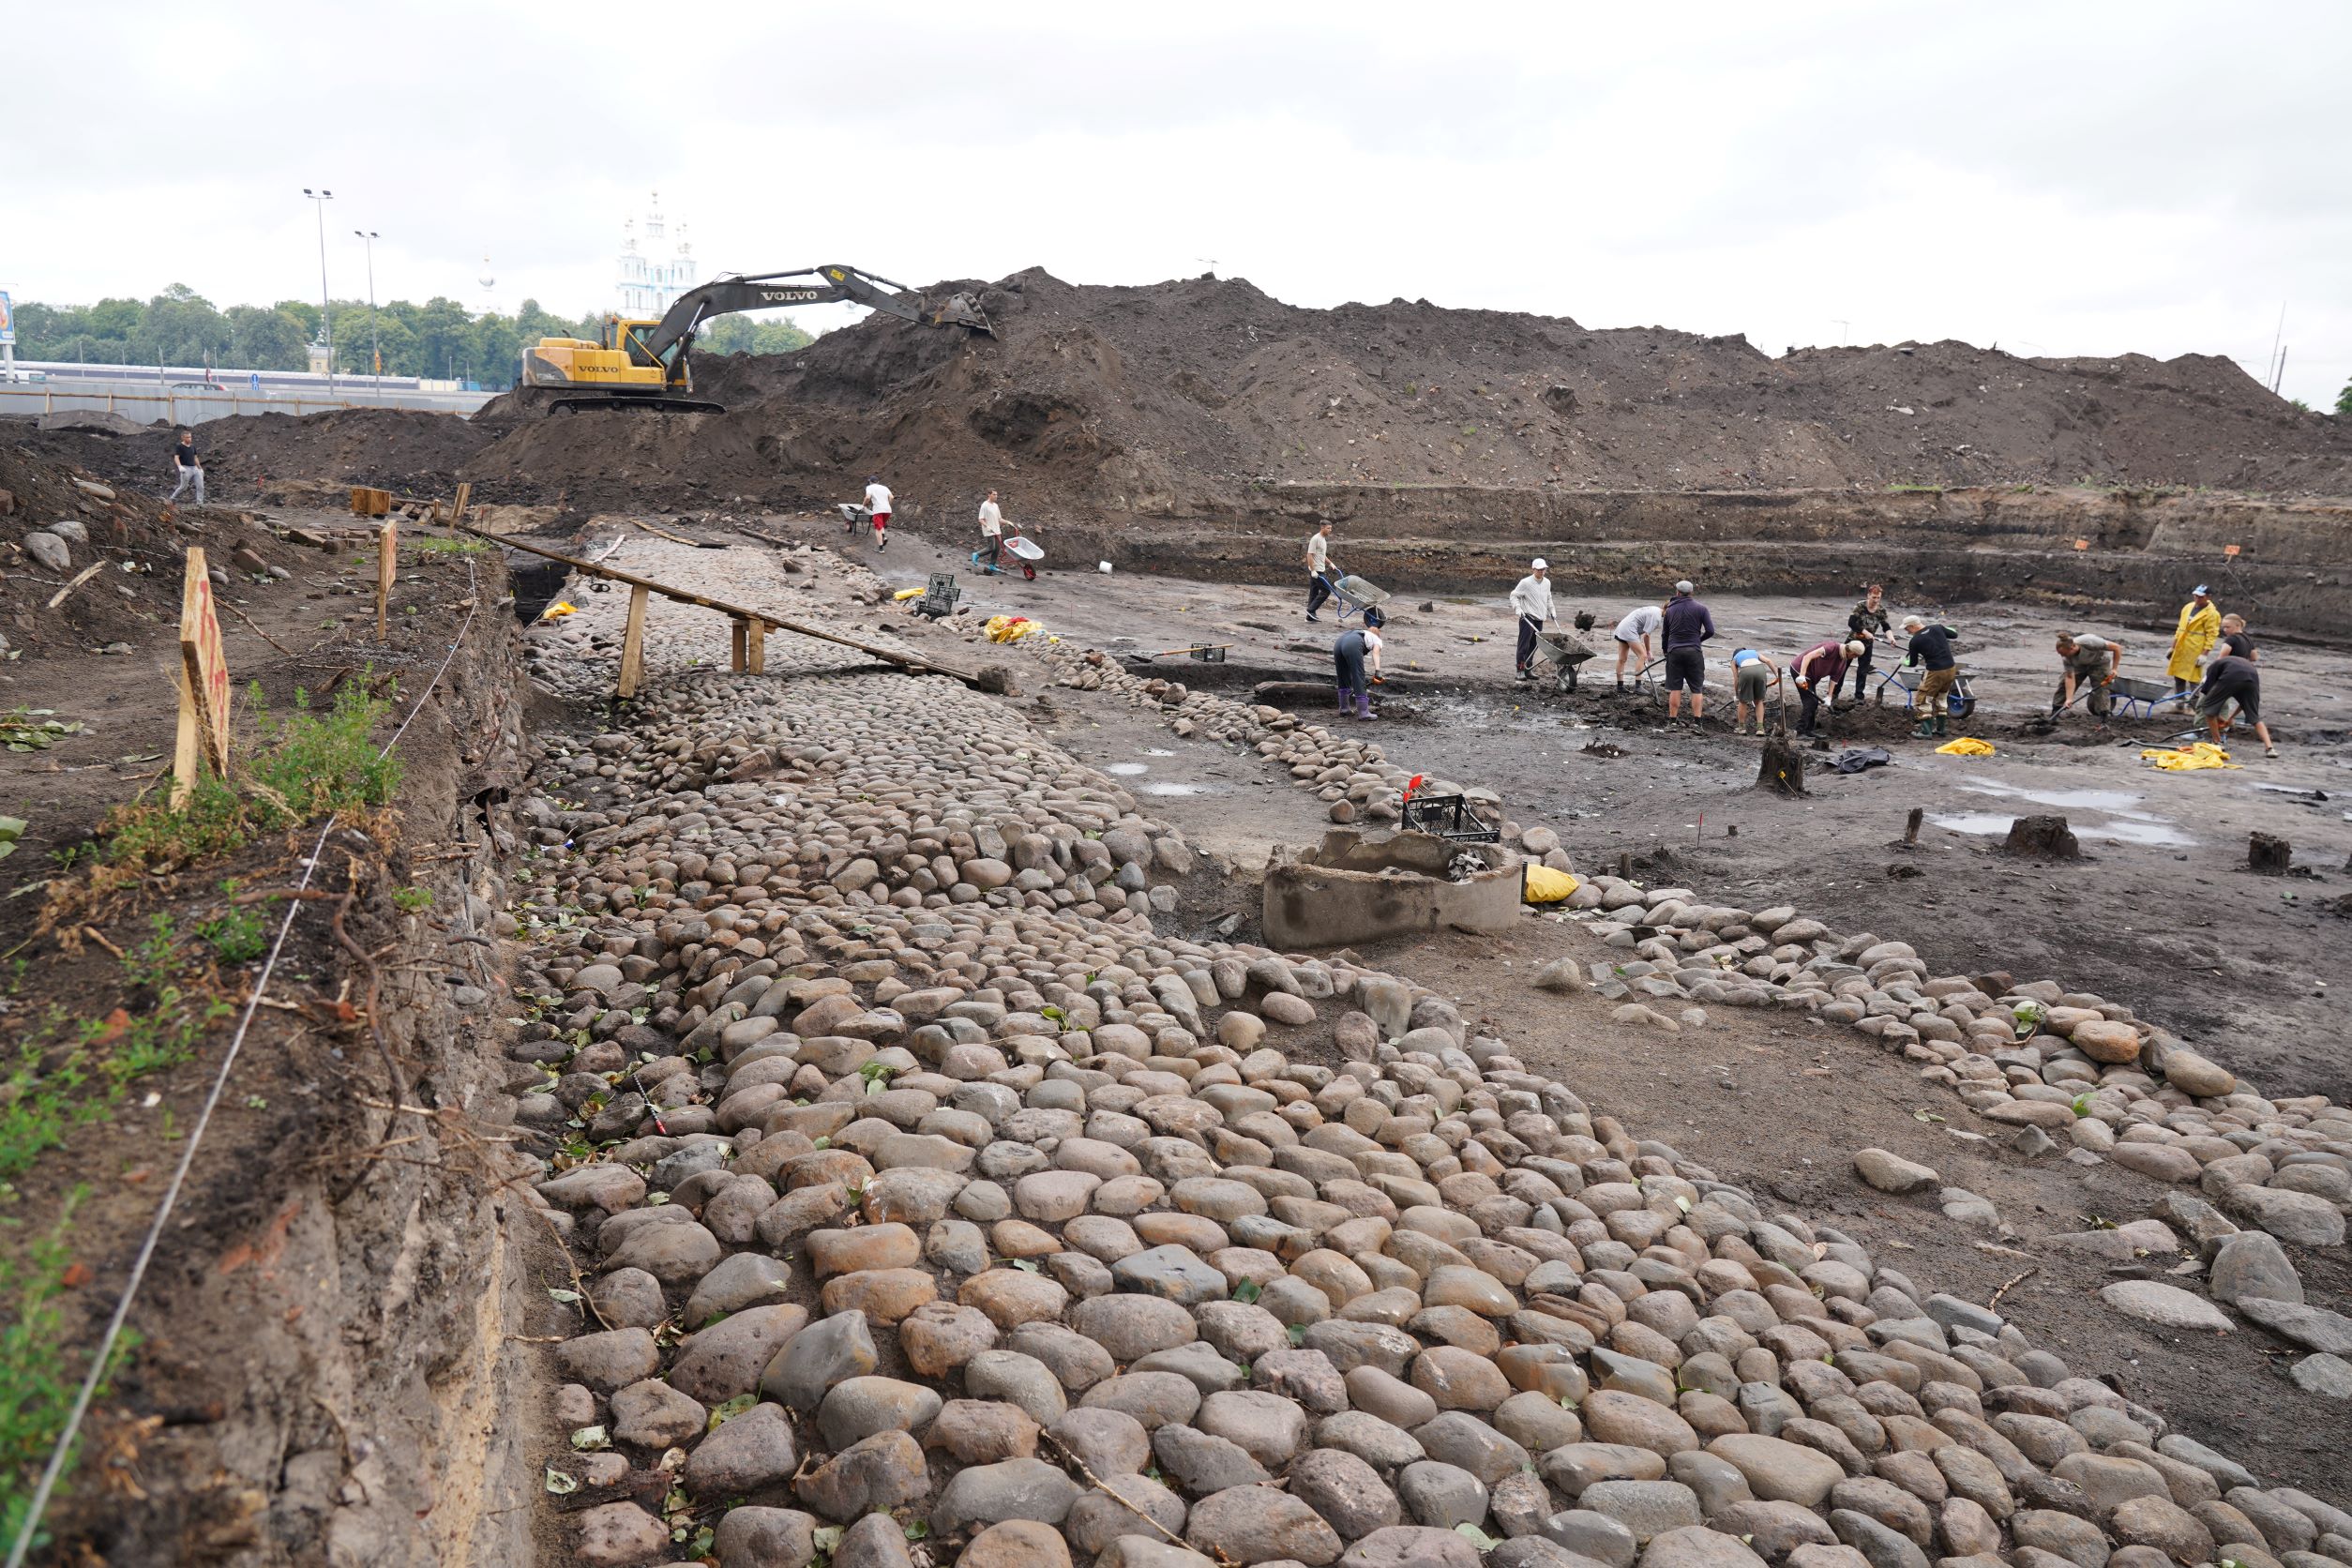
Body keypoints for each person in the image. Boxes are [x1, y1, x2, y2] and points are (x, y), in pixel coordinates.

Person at [2196, 652, 2276, 757]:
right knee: (2254, 717)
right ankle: (2270, 748)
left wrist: (2218, 718)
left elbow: (2208, 699)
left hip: (2232, 675)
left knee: (2208, 709)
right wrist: (2230, 718)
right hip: (2252, 677)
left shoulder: (2212, 668)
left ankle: (2217, 742)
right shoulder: (2231, 662)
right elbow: (2244, 704)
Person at [1660, 580, 1714, 721]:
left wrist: (1665, 651)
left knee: (1675, 688)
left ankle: (1672, 721)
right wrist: (1698, 640)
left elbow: (1665, 634)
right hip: (1694, 652)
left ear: (1677, 592)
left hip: (1675, 651)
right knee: (1697, 688)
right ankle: (1698, 722)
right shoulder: (1702, 609)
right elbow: (1710, 631)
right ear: (1691, 593)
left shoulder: (1670, 610)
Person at [1900, 614, 1960, 738]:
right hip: (1951, 668)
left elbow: (1912, 663)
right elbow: (1954, 634)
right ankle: (1940, 730)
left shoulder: (1915, 641)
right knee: (1942, 698)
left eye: (1907, 629)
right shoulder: (1937, 627)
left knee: (1923, 699)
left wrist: (1903, 662)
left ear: (1913, 626)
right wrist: (1947, 629)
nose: (1907, 631)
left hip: (1935, 671)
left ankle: (1926, 732)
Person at [1790, 638, 1864, 736]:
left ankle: (1808, 730)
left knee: (1814, 702)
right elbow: (1807, 657)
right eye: (1855, 656)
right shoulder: (1831, 647)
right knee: (1811, 702)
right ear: (1851, 651)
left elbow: (1834, 680)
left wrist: (1829, 697)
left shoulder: (1842, 662)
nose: (1854, 658)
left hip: (1811, 676)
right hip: (1799, 669)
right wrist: (1802, 675)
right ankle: (1799, 731)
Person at [2053, 632, 2123, 725]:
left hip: (2099, 662)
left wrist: (2114, 669)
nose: (2063, 657)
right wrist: (2069, 699)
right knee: (2063, 686)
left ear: (2072, 647)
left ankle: (2104, 719)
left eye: (2064, 654)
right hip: (2079, 665)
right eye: (2061, 654)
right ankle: (2054, 713)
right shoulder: (2067, 658)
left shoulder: (2089, 641)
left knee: (2102, 689)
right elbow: (2070, 678)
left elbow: (2117, 647)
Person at [2166, 585, 2220, 697]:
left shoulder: (2212, 614)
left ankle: (2193, 706)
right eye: (2195, 595)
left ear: (2208, 597)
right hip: (2182, 647)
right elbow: (2180, 629)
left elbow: (2212, 635)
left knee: (2193, 678)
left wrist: (2204, 654)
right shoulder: (2188, 607)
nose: (2196, 598)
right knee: (2178, 675)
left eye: (2200, 596)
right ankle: (2179, 704)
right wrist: (2173, 646)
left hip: (2195, 649)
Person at [1334, 606, 1385, 721]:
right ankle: (1363, 712)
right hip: (1353, 644)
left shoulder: (1362, 633)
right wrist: (1378, 672)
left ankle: (1344, 708)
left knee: (1343, 676)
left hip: (1340, 642)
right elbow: (1376, 653)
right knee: (1358, 675)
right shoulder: (1377, 639)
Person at [1844, 584, 1892, 703]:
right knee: (1842, 668)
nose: (1876, 600)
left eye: (1878, 598)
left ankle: (1859, 697)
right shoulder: (1860, 606)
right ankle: (1834, 693)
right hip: (1852, 642)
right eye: (1874, 597)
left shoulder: (1881, 610)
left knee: (1862, 671)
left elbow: (1886, 626)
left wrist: (1891, 638)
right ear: (1868, 595)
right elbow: (1851, 623)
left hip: (1867, 645)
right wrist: (1865, 632)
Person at [1510, 559, 1555, 681]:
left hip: (1539, 618)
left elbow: (1548, 598)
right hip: (1527, 617)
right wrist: (1518, 609)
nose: (1542, 572)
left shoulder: (1547, 582)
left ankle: (1528, 669)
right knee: (1523, 646)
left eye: (1543, 569)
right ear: (1533, 569)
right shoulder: (1526, 582)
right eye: (1539, 569)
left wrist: (1552, 610)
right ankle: (1520, 671)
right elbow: (1514, 595)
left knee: (1534, 645)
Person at [1728, 647, 1780, 735]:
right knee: (1759, 701)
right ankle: (1760, 729)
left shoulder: (1734, 660)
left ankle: (1742, 728)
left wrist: (1737, 695)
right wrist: (1777, 675)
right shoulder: (1754, 652)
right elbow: (1768, 661)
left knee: (1742, 701)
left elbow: (1736, 679)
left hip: (1746, 672)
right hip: (1760, 670)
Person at [1612, 601, 1662, 686]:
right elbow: (1646, 636)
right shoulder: (1657, 617)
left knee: (1622, 659)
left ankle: (1620, 687)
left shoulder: (1655, 609)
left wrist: (1644, 647)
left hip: (1624, 627)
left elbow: (1638, 628)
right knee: (1643, 655)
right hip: (1629, 629)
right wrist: (1648, 652)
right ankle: (1638, 686)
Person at [1304, 522, 1335, 621]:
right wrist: (1313, 570)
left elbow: (1322, 555)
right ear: (1322, 528)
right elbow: (1309, 555)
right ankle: (1311, 609)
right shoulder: (1316, 539)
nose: (1330, 530)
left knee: (1314, 593)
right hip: (1316, 571)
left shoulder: (1323, 539)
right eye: (1328, 528)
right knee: (1326, 590)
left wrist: (1330, 563)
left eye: (1331, 528)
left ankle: (1309, 617)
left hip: (1320, 569)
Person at [168, 429, 204, 506]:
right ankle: (172, 499)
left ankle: (199, 503)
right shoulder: (180, 447)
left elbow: (195, 458)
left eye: (190, 437)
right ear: (183, 438)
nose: (189, 439)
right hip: (186, 469)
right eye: (187, 437)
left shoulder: (193, 446)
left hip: (195, 468)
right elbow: (176, 457)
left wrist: (200, 468)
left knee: (200, 486)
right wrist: (180, 467)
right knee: (183, 487)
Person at [863, 475, 894, 550]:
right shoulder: (885, 488)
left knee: (878, 529)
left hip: (878, 510)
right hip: (888, 510)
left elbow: (867, 497)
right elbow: (892, 497)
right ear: (878, 482)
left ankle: (880, 548)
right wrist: (887, 505)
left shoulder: (869, 487)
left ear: (870, 482)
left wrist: (863, 505)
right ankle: (884, 537)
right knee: (881, 525)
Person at [978, 490, 1005, 570]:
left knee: (997, 548)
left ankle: (992, 565)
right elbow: (980, 519)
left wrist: (1007, 522)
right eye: (994, 494)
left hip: (996, 529)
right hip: (989, 529)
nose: (996, 496)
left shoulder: (996, 506)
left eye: (996, 495)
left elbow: (999, 518)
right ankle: (976, 554)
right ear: (989, 495)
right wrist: (987, 526)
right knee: (991, 547)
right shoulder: (985, 505)